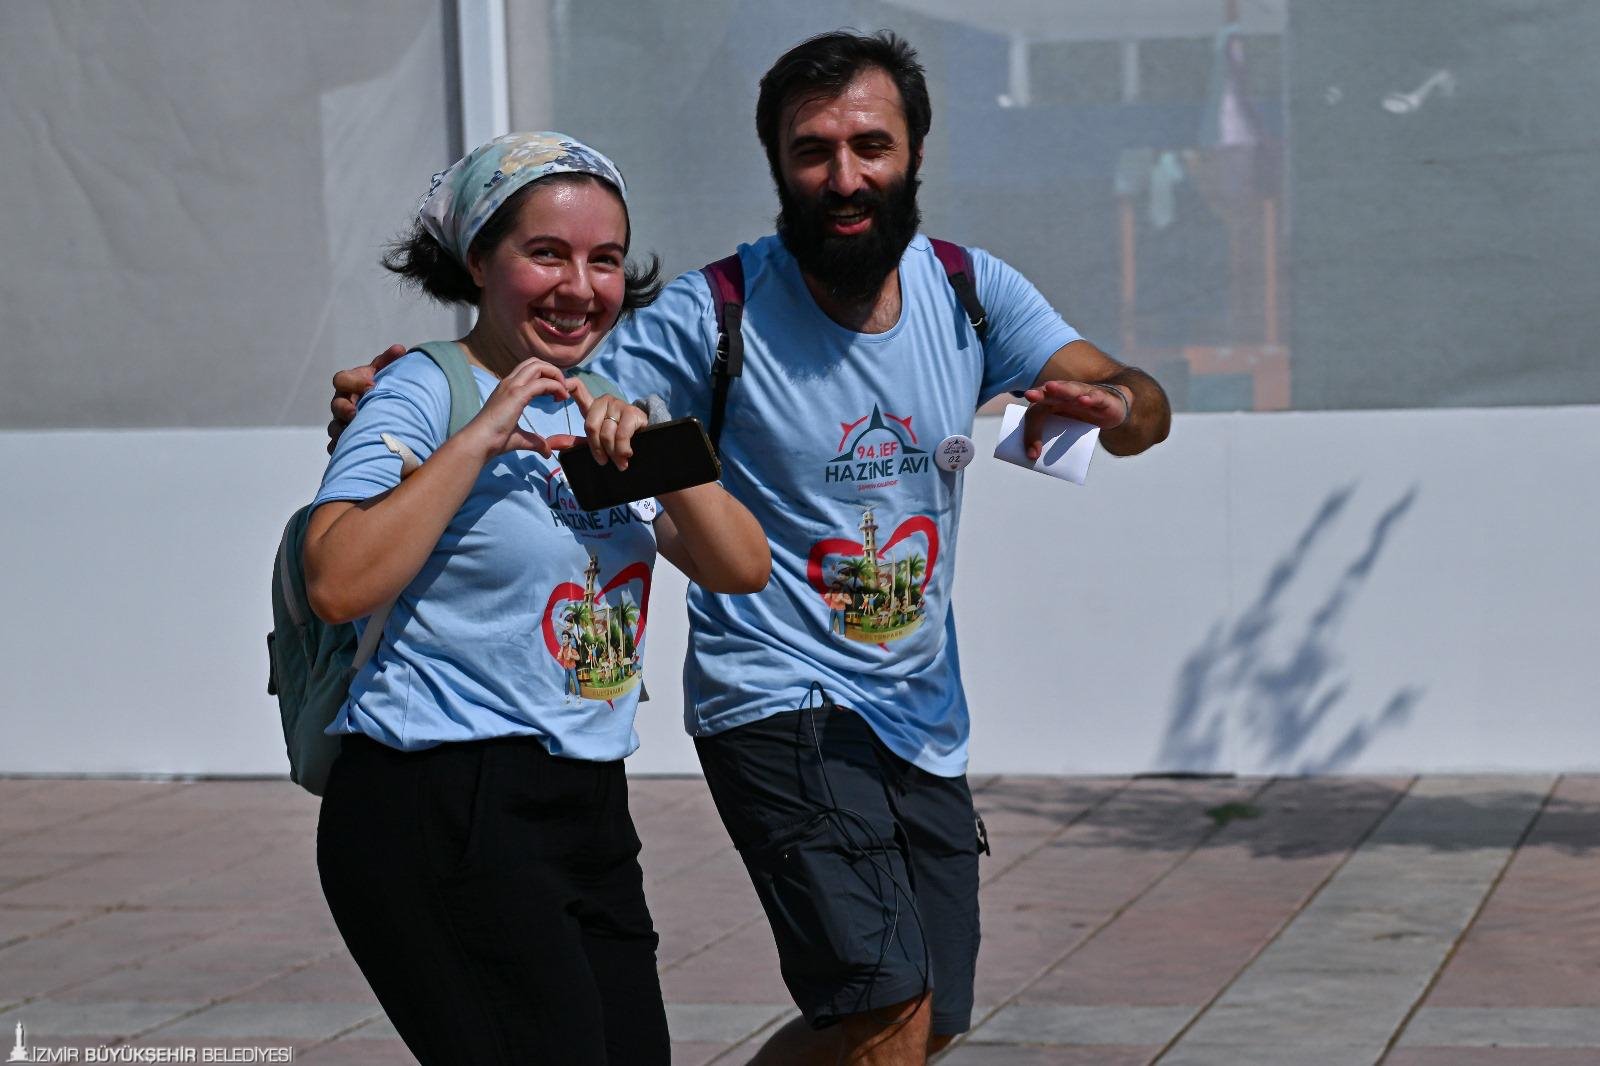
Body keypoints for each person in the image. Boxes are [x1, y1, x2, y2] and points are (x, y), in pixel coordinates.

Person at [332, 31, 1170, 1065]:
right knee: (887, 1007)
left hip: (916, 712)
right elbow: (527, 362)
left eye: (870, 145)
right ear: (776, 162)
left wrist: (1117, 404)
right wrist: (401, 404)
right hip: (774, 696)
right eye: (813, 150)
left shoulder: (970, 291)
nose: (844, 176)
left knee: (927, 1020)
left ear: (915, 151)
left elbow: (1137, 403)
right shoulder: (710, 313)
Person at [307, 132, 769, 1065]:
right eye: (547, 253)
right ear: (479, 259)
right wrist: (479, 436)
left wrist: (662, 457)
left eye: (605, 259)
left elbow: (740, 567)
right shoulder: (421, 391)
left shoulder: (602, 404)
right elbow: (336, 580)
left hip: (585, 805)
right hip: (439, 798)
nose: (580, 287)